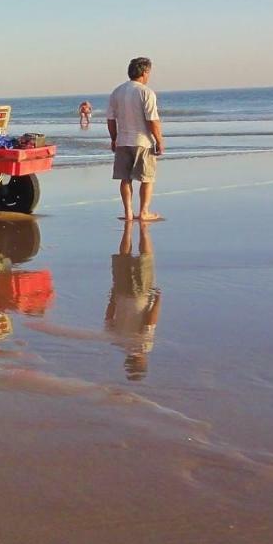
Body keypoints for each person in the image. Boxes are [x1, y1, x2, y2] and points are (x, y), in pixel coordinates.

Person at [106, 57, 164, 221]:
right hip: (143, 141)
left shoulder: (117, 91)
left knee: (125, 178)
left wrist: (114, 138)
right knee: (147, 178)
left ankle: (128, 212)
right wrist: (159, 141)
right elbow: (152, 120)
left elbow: (111, 119)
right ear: (145, 72)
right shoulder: (146, 92)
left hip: (123, 140)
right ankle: (144, 211)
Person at [105, 220, 161, 380]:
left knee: (146, 259)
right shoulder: (116, 341)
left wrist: (157, 301)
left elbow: (149, 322)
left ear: (142, 363)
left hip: (140, 297)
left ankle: (144, 230)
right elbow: (108, 318)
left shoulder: (144, 346)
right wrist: (112, 299)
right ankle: (128, 230)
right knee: (123, 258)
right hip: (121, 295)